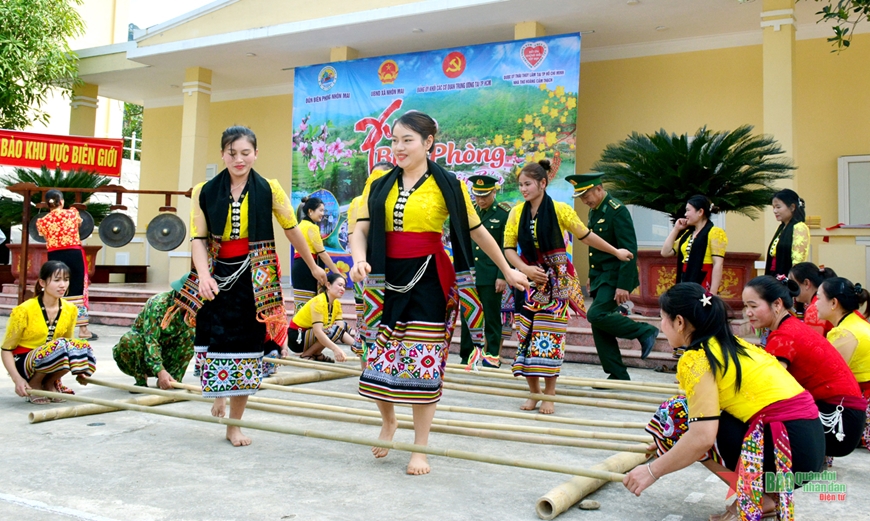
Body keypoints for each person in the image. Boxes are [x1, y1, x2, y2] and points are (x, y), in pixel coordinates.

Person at [349, 110, 528, 475]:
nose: (398, 148)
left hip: (429, 277)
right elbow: (360, 229)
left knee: (423, 361)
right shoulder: (379, 183)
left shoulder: (448, 184)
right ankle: (388, 421)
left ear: (428, 143)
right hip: (383, 278)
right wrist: (357, 259)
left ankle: (420, 448)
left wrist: (509, 269)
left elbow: (477, 232)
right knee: (375, 358)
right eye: (394, 140)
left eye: (407, 140)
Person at [169, 125, 327, 447]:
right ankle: (219, 396)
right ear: (222, 154)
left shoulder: (269, 189)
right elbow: (199, 239)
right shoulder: (204, 191)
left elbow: (292, 230)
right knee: (214, 340)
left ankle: (233, 425)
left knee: (247, 347)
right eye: (232, 152)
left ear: (255, 153)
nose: (239, 159)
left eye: (245, 153)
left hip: (255, 276)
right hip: (216, 271)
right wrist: (204, 276)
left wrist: (313, 265)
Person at [624, 283, 825, 521]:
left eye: (662, 319)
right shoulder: (737, 345)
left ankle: (755, 498)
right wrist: (667, 445)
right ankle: (766, 492)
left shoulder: (698, 359)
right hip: (810, 450)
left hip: (787, 453)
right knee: (685, 412)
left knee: (675, 415)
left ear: (679, 322)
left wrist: (652, 470)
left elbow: (701, 436)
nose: (662, 327)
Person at [503, 166, 633, 414]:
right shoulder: (515, 213)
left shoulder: (561, 209)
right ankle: (533, 393)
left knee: (549, 338)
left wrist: (615, 251)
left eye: (528, 184)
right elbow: (509, 248)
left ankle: (549, 396)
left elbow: (586, 236)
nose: (523, 189)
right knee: (526, 336)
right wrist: (525, 270)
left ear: (542, 184)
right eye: (521, 185)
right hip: (528, 281)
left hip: (557, 282)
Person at [743, 276, 865, 458]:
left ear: (777, 304)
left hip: (838, 418)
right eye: (746, 306)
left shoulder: (784, 335)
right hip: (848, 414)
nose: (748, 313)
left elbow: (769, 385)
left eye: (753, 306)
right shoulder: (791, 326)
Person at [573, 172, 659, 381]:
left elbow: (629, 249)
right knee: (599, 323)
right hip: (601, 276)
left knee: (596, 315)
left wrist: (623, 285)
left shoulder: (617, 211)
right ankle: (617, 373)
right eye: (582, 198)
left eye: (587, 196)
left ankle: (644, 331)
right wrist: (592, 276)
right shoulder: (595, 211)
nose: (585, 201)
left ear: (599, 189)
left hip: (615, 276)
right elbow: (596, 248)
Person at [1, 261, 95, 404]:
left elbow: (68, 344)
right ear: (42, 283)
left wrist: (79, 367)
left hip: (51, 356)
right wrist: (17, 379)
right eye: (57, 280)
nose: (62, 285)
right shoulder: (24, 310)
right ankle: (35, 383)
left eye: (66, 279)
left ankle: (49, 383)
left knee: (80, 347)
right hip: (24, 361)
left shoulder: (70, 309)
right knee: (59, 346)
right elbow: (6, 350)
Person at [459, 174, 512, 367]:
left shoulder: (503, 214)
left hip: (491, 275)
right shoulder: (471, 212)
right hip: (470, 275)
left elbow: (507, 247)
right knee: (467, 315)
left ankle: (492, 356)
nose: (481, 200)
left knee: (491, 317)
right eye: (477, 195)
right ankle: (467, 356)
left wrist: (502, 275)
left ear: (494, 192)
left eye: (485, 195)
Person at [112, 274, 195, 389]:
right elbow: (151, 340)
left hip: (165, 354)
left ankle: (173, 379)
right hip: (141, 356)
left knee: (191, 334)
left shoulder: (193, 312)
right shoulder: (158, 304)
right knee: (130, 340)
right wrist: (160, 370)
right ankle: (141, 379)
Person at [816, 277, 870, 449]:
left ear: (833, 303)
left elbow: (826, 377)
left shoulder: (844, 333)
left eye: (818, 298)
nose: (815, 304)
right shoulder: (856, 322)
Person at [36, 190, 95, 340]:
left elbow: (43, 235)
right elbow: (80, 223)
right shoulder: (72, 213)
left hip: (55, 256)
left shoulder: (42, 221)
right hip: (74, 255)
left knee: (56, 289)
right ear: (61, 201)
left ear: (47, 203)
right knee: (77, 290)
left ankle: (56, 328)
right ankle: (83, 330)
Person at [348, 162, 391, 365]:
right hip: (367, 265)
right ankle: (367, 368)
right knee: (366, 317)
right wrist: (360, 261)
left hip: (386, 265)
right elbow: (353, 234)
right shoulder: (359, 202)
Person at [660, 194, 727, 295]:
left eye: (688, 210)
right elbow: (665, 252)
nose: (685, 214)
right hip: (686, 277)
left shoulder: (715, 232)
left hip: (703, 277)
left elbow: (718, 263)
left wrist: (712, 293)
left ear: (700, 212)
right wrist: (676, 229)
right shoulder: (688, 234)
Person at [288, 272, 353, 362]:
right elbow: (318, 332)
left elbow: (340, 328)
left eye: (344, 287)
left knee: (341, 327)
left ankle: (316, 353)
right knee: (331, 330)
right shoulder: (319, 301)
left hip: (309, 335)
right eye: (340, 285)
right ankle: (307, 354)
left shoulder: (336, 303)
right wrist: (336, 349)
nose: (342, 289)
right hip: (296, 338)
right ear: (328, 285)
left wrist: (358, 347)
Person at [293, 196, 344, 308]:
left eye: (323, 211)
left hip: (298, 267)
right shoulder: (312, 228)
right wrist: (337, 274)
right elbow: (322, 254)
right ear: (310, 211)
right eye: (320, 210)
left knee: (301, 305)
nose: (323, 214)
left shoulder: (299, 226)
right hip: (307, 268)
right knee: (312, 306)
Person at [764, 189, 809, 278]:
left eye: (778, 207)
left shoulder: (799, 227)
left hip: (786, 279)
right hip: (774, 275)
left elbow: (798, 261)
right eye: (774, 207)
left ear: (792, 207)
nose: (775, 211)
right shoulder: (782, 228)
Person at [789, 262, 838, 336]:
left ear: (806, 283)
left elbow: (812, 344)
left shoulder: (815, 308)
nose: (790, 290)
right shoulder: (822, 301)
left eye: (792, 285)